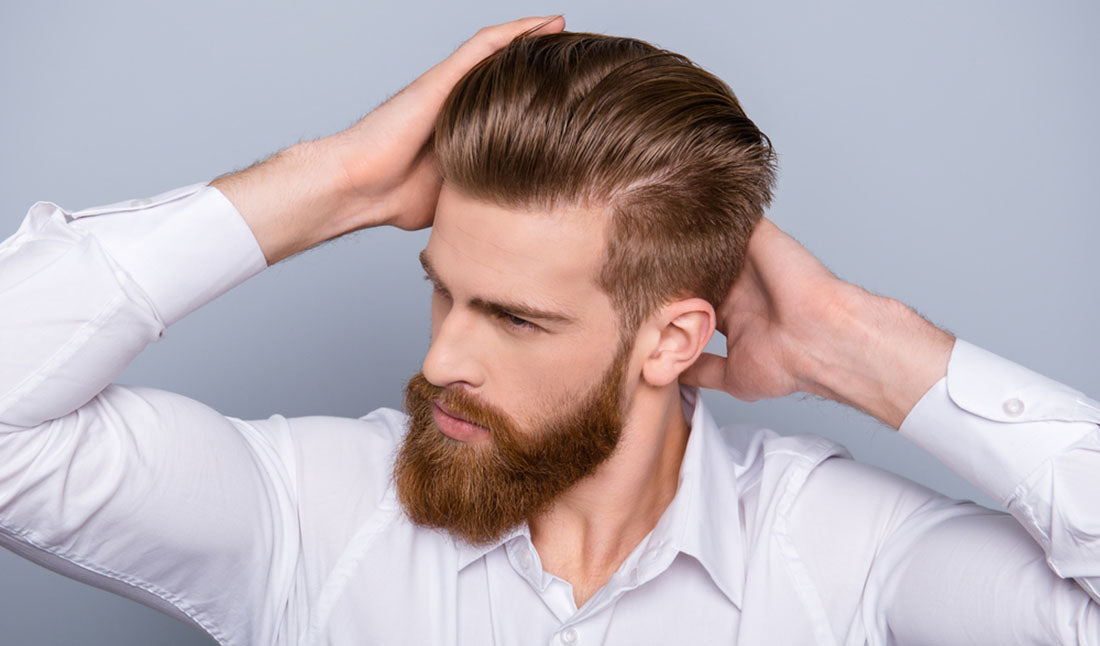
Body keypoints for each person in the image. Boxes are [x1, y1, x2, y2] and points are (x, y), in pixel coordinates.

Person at [0, 13, 1096, 645]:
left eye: (514, 317)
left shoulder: (836, 555)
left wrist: (869, 347)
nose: (439, 361)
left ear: (672, 340)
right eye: (443, 290)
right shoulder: (307, 513)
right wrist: (327, 186)